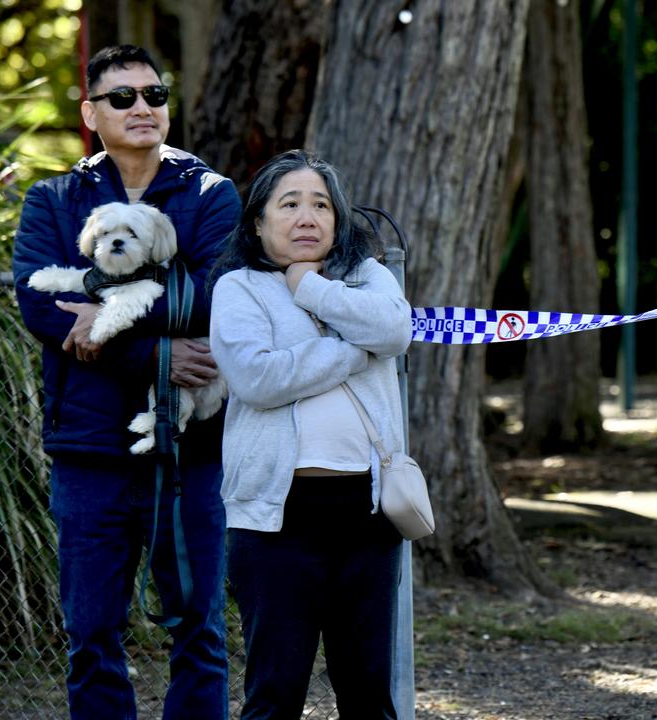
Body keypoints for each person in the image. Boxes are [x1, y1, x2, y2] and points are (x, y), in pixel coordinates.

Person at [12, 45, 238, 719]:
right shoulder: (54, 199)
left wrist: (104, 315)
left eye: (154, 94)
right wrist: (158, 358)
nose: (143, 107)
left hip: (190, 447)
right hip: (88, 447)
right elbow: (37, 302)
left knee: (199, 629)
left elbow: (215, 295)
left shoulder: (209, 194)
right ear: (90, 112)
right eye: (123, 97)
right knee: (90, 634)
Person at [209, 149, 413, 719]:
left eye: (320, 204)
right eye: (289, 204)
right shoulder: (239, 288)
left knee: (369, 694)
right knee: (275, 693)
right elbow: (258, 377)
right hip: (276, 520)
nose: (307, 217)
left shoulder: (366, 276)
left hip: (367, 514)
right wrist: (354, 349)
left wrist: (310, 286)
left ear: (338, 218)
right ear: (258, 222)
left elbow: (394, 329)